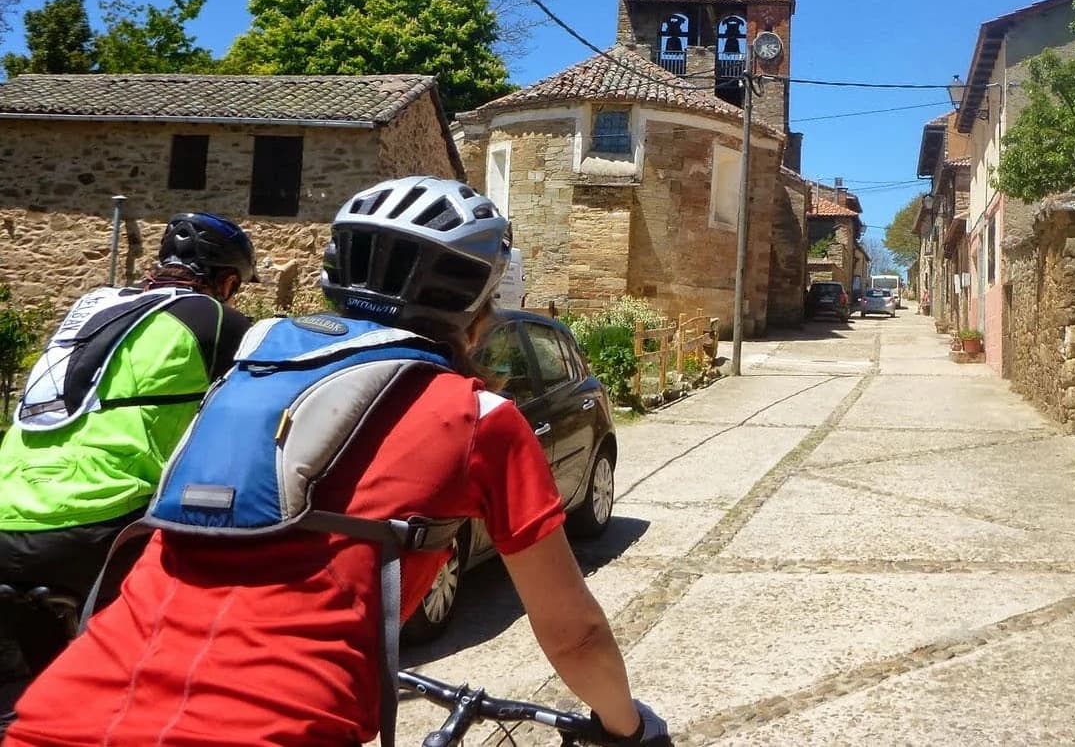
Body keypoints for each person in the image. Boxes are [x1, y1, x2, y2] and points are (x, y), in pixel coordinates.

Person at [4, 176, 671, 747]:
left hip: (63, 710)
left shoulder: (241, 375)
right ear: (478, 304)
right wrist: (629, 727)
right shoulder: (478, 417)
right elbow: (574, 633)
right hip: (280, 723)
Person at [0, 212, 256, 693]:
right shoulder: (213, 318)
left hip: (6, 513)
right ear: (225, 280)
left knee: (41, 689)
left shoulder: (97, 309)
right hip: (96, 528)